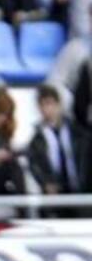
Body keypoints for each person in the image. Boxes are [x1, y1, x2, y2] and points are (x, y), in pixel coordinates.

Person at [29, 83, 91, 215]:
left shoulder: (78, 134)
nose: (47, 109)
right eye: (43, 105)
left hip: (81, 193)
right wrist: (47, 183)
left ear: (58, 105)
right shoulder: (36, 141)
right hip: (55, 197)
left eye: (50, 103)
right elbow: (35, 167)